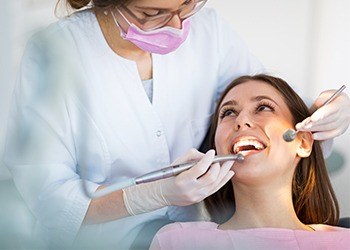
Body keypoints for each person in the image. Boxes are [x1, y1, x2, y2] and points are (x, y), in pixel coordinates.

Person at [3, 0, 350, 248]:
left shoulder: (210, 33)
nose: (176, 26)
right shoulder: (58, 53)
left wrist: (324, 112)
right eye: (152, 13)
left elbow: (270, 100)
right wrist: (147, 196)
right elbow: (51, 199)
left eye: (186, 5)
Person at [150, 74, 350, 249]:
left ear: (303, 142)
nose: (241, 120)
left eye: (263, 107)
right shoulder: (177, 242)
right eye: (228, 113)